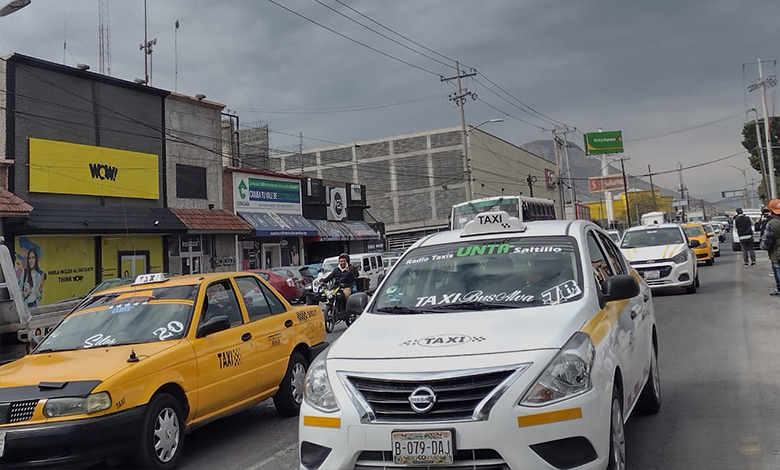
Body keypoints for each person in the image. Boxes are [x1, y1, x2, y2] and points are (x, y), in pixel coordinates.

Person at [760, 199, 780, 296]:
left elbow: (765, 243)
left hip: (777, 254)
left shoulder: (772, 224)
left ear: (771, 211)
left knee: (777, 270)